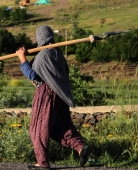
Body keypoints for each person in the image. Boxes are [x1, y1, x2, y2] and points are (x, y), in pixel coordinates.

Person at [16, 25, 90, 170]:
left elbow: (33, 76)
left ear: (40, 37)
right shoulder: (58, 54)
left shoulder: (44, 54)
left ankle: (42, 162)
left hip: (46, 94)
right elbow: (40, 75)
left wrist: (22, 58)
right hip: (60, 94)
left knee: (37, 128)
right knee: (59, 127)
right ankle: (80, 147)